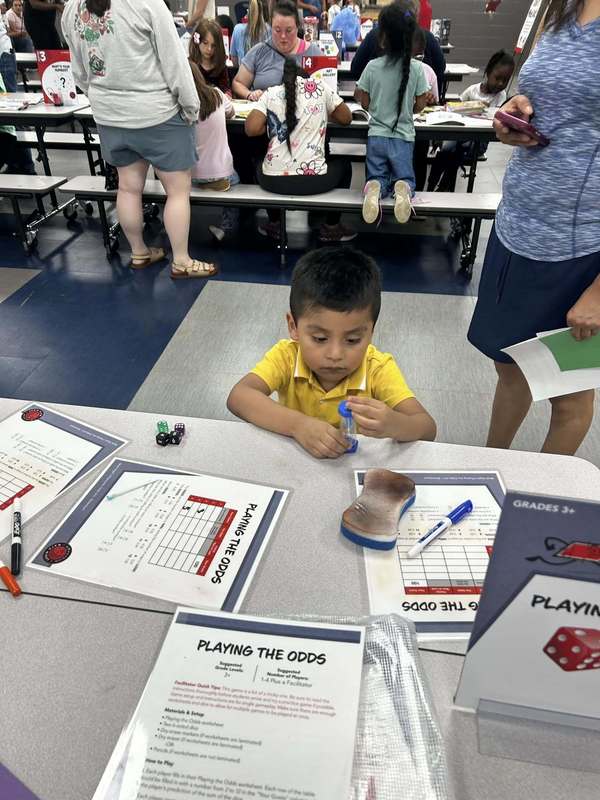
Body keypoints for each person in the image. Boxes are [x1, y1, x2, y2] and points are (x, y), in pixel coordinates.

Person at [467, 0, 600, 456]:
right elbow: (542, 98)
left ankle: (534, 503)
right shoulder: (559, 6)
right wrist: (515, 112)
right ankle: (489, 465)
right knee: (511, 368)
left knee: (570, 396)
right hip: (517, 228)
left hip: (581, 249)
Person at [227, 247, 436, 458]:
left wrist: (395, 424)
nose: (335, 354)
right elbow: (239, 397)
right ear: (293, 327)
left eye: (353, 340)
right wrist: (298, 425)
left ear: (371, 331)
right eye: (320, 339)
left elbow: (427, 427)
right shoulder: (287, 356)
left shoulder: (377, 368)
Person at [62, 0, 217, 280]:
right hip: (157, 113)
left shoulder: (73, 7)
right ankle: (181, 260)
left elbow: (79, 72)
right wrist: (191, 107)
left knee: (128, 188)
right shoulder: (146, 3)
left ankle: (139, 252)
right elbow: (175, 64)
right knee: (177, 191)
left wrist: (102, 97)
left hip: (109, 115)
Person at [245, 57, 355, 242]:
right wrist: (322, 114)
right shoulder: (319, 88)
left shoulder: (270, 93)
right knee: (344, 165)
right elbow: (346, 118)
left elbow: (251, 129)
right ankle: (332, 227)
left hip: (273, 181)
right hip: (315, 181)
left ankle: (274, 224)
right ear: (306, 79)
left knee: (258, 160)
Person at [355, 3, 430, 226]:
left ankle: (373, 189)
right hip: (403, 138)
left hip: (376, 136)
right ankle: (403, 189)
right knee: (405, 177)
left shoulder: (371, 66)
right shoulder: (417, 69)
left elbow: (365, 101)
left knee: (376, 175)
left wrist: (372, 103)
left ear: (383, 37)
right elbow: (419, 106)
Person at [427, 50, 514, 192]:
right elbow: (455, 108)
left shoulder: (500, 96)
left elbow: (495, 119)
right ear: (488, 72)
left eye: (505, 80)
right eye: (497, 78)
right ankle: (431, 187)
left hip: (478, 140)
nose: (500, 83)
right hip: (460, 134)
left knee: (456, 153)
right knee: (445, 151)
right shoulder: (472, 90)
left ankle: (443, 188)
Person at [188, 46, 240, 242]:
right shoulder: (217, 94)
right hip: (222, 176)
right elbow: (232, 112)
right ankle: (226, 228)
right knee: (239, 178)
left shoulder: (177, 103)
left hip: (190, 176)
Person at [350, 0, 445, 96]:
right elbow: (440, 68)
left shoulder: (373, 62)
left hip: (376, 100)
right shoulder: (419, 67)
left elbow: (355, 69)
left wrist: (369, 84)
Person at [232, 0, 321, 100]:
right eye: (277, 30)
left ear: (297, 27)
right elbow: (238, 83)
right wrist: (249, 94)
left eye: (288, 30)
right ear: (271, 27)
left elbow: (328, 91)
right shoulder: (259, 51)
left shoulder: (314, 53)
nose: (283, 36)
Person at [189, 18, 231, 96]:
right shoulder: (189, 65)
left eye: (213, 46)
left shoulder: (220, 66)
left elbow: (226, 88)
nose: (209, 49)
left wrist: (227, 95)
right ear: (197, 41)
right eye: (205, 43)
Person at [230, 0, 270, 67]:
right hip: (265, 75)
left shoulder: (237, 29)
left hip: (243, 75)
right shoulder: (270, 30)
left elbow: (234, 60)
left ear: (249, 11)